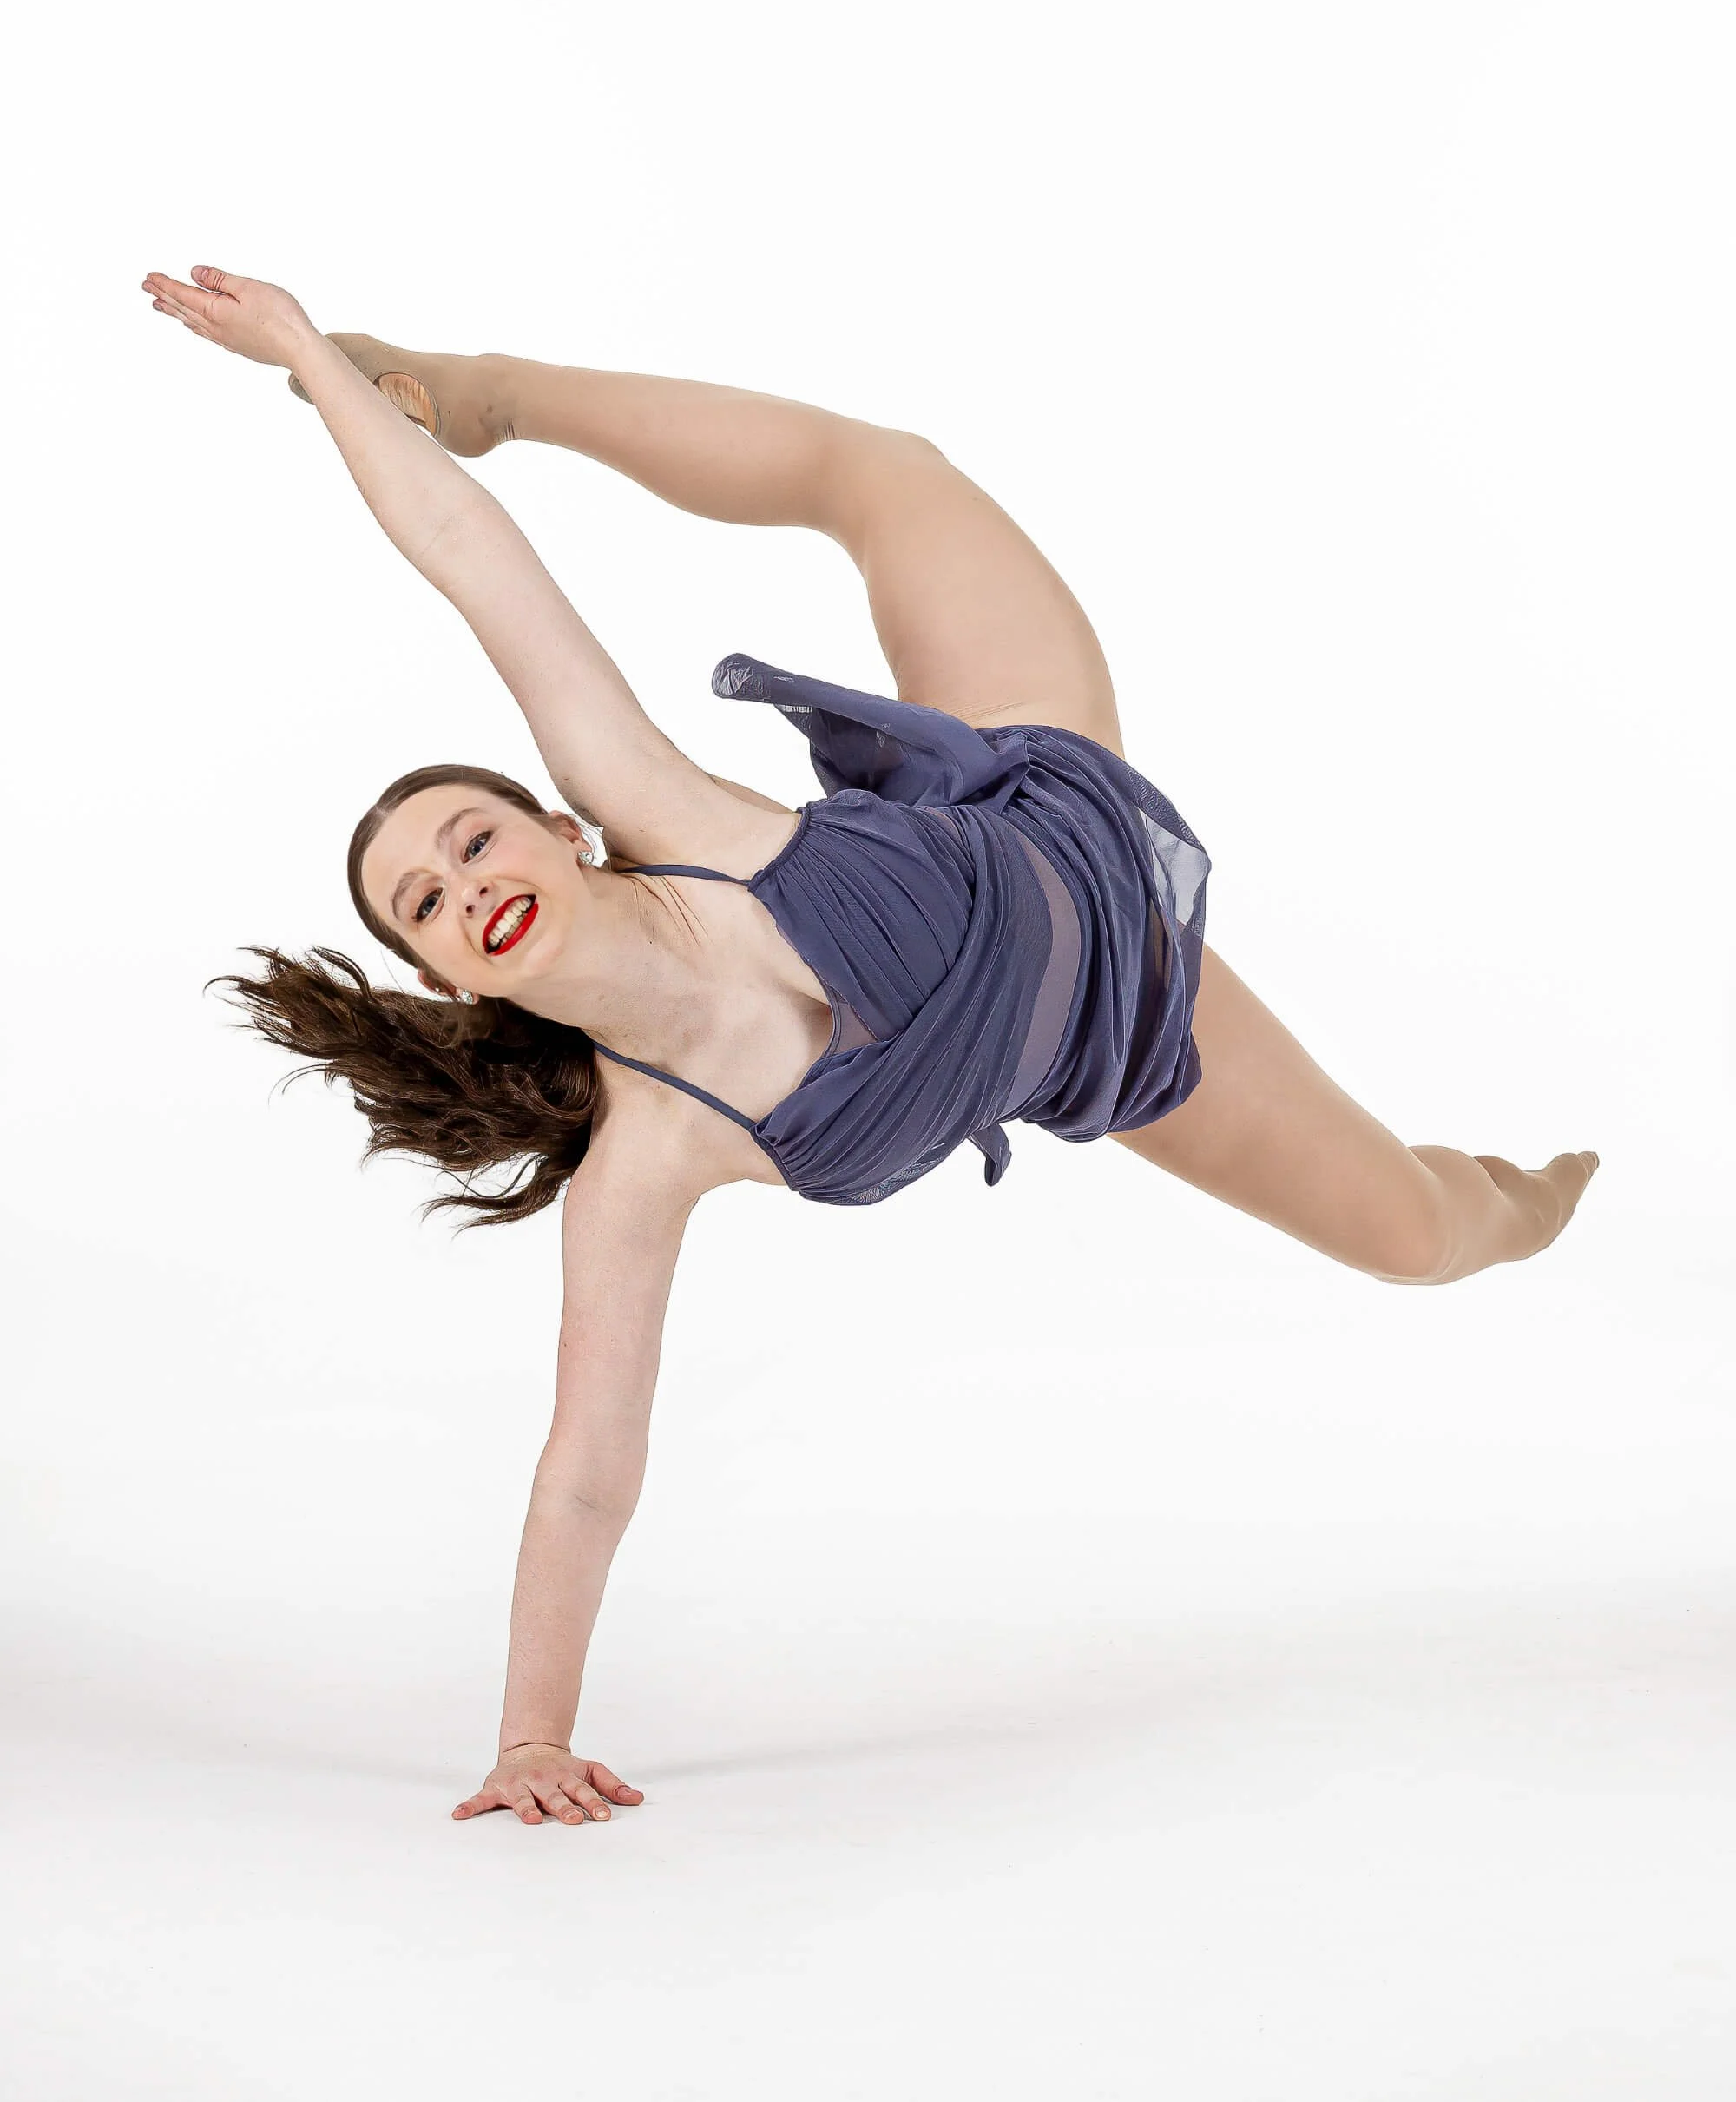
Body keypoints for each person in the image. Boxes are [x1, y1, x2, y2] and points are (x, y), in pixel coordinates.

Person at [140, 265, 1601, 1830]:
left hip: (1040, 782)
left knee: (882, 470)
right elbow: (586, 1472)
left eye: (475, 838)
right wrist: (529, 1741)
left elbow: (469, 559)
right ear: (441, 969)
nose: (465, 884)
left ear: (561, 827)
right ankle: (1556, 1185)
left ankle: (487, 388)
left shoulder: (663, 811)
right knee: (1426, 1237)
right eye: (424, 903)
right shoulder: (647, 1160)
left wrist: (307, 354)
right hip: (1123, 1030)